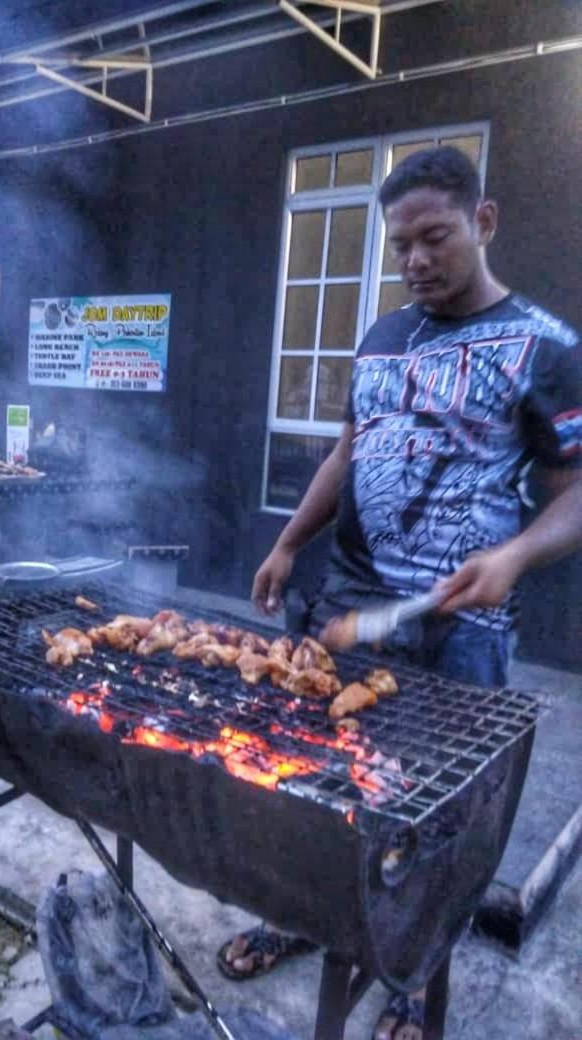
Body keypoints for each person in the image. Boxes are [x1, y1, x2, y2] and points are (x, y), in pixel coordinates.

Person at [216, 146, 582, 1040]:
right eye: (401, 243)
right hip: (353, 607)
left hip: (463, 632)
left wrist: (517, 556)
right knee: (325, 786)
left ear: (483, 222)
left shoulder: (548, 347)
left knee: (440, 815)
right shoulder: (382, 337)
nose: (416, 259)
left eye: (435, 236)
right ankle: (307, 919)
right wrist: (289, 539)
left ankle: (415, 972)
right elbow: (346, 454)